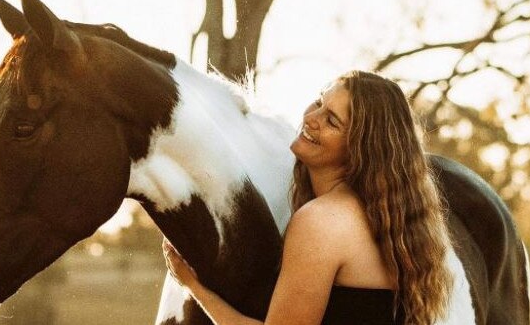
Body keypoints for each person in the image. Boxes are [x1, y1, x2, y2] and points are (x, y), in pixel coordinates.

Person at [163, 70, 453, 325]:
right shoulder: (380, 216)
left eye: (332, 121)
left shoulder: (322, 221)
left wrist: (195, 288)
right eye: (318, 102)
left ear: (359, 150)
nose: (311, 119)